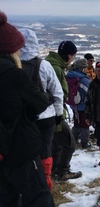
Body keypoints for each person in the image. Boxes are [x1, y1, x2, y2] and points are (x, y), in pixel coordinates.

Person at [0, 11, 54, 206]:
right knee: (38, 197)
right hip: (20, 149)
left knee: (6, 198)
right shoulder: (15, 74)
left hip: (2, 152)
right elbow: (40, 101)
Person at [19, 28, 64, 190]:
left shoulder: (12, 66)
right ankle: (45, 183)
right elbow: (57, 92)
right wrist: (59, 114)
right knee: (45, 150)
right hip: (46, 116)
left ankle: (27, 183)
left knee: (25, 151)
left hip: (22, 117)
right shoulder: (43, 65)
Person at [46, 40, 82, 181]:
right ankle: (61, 171)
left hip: (50, 114)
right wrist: (59, 115)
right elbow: (56, 94)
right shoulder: (56, 69)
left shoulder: (51, 64)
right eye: (73, 56)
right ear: (68, 55)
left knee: (56, 144)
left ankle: (53, 170)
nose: (73, 59)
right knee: (69, 144)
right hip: (54, 114)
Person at [66, 58, 91, 149]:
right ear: (82, 68)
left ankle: (73, 140)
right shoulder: (83, 80)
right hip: (83, 106)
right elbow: (90, 93)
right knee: (85, 125)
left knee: (77, 123)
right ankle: (85, 143)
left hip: (73, 105)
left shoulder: (69, 76)